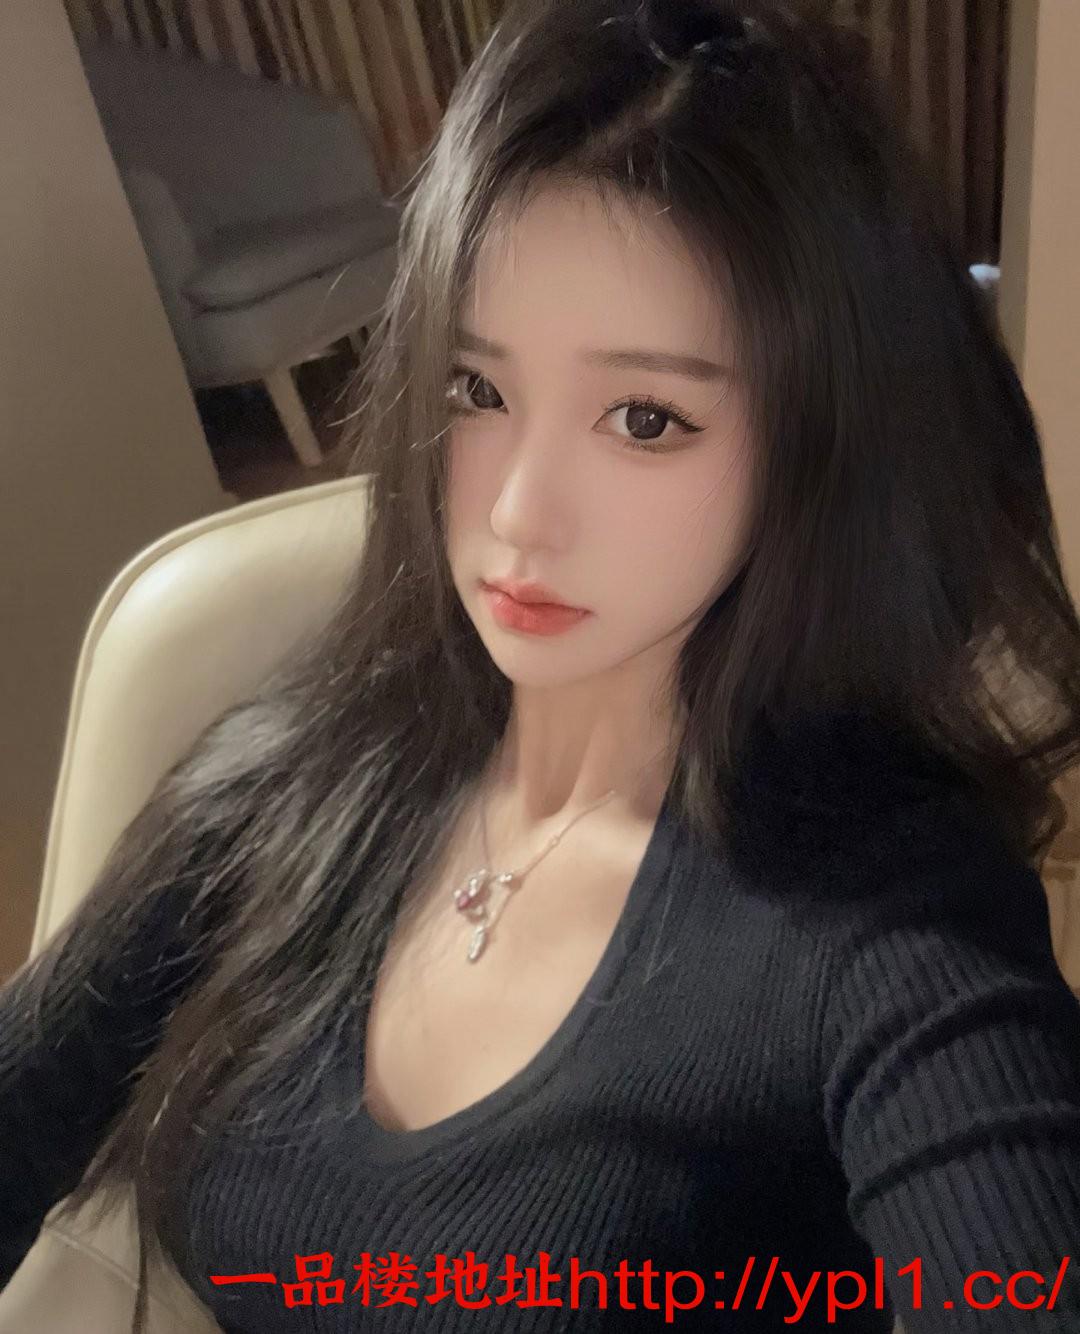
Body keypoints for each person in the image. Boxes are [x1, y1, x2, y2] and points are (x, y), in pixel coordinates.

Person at [3, 0, 1080, 1329]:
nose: (518, 514)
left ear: (818, 446)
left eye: (646, 418)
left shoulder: (887, 923)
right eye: (477, 391)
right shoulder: (282, 781)